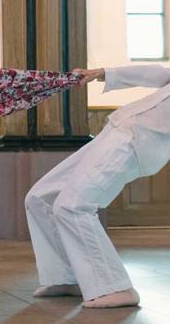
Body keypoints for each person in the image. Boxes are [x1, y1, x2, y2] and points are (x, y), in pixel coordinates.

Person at [23, 63, 170, 309]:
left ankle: (116, 287)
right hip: (118, 129)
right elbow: (163, 73)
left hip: (136, 143)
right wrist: (101, 73)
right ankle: (66, 277)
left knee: (73, 206)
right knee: (40, 198)